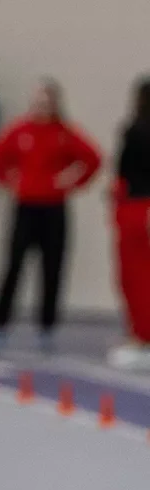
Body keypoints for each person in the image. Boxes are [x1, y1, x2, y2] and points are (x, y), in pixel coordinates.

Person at [0, 78, 102, 356]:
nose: (41, 107)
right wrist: (10, 179)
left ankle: (46, 329)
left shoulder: (64, 133)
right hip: (26, 207)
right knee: (13, 267)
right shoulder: (20, 131)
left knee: (52, 270)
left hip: (54, 209)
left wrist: (70, 181)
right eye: (37, 102)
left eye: (46, 102)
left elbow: (93, 159)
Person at [107, 77, 150, 370]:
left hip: (137, 208)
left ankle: (142, 336)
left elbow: (122, 172)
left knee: (136, 277)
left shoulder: (134, 131)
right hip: (135, 204)